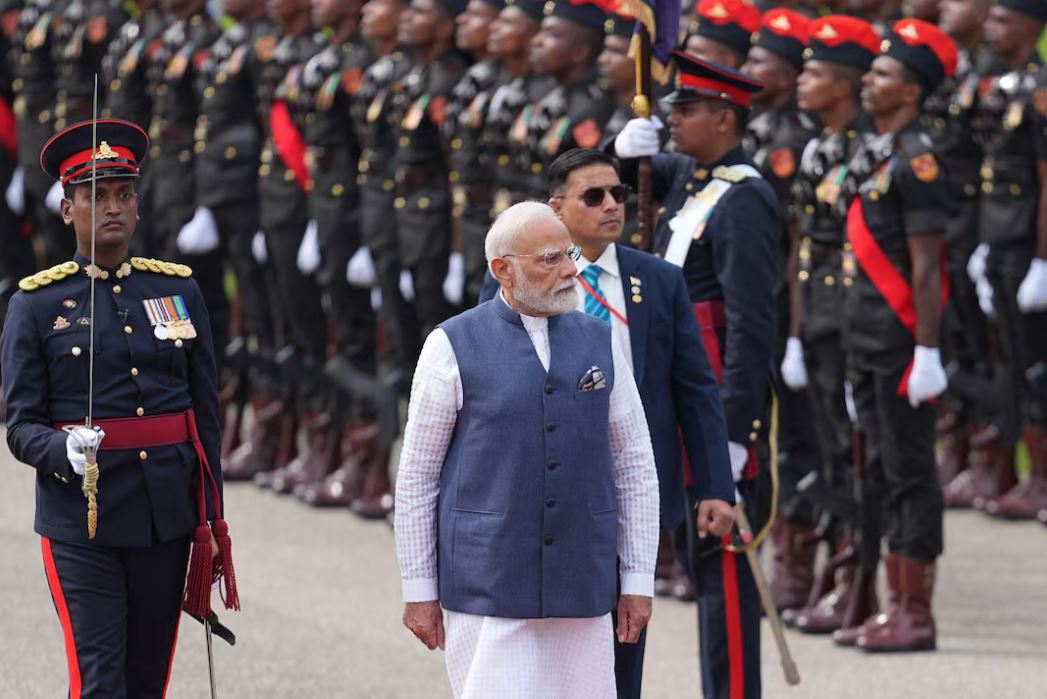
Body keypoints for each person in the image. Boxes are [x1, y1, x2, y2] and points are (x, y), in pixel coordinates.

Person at [479, 149, 736, 698]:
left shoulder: (659, 280)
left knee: (623, 640)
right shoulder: (519, 275)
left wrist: (716, 485)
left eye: (619, 193)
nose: (611, 205)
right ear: (557, 207)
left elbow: (695, 390)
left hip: (626, 488)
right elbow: (489, 384)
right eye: (593, 196)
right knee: (535, 649)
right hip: (540, 491)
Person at [0, 119, 236, 697]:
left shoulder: (178, 291)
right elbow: (20, 424)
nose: (112, 207)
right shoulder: (36, 305)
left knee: (146, 682)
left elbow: (204, 417)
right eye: (95, 196)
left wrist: (209, 517)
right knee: (102, 682)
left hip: (165, 518)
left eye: (123, 194)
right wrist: (61, 449)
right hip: (84, 520)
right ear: (66, 208)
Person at [395, 201, 659, 698]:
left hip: (584, 580)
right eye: (549, 260)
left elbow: (635, 466)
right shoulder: (449, 345)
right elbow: (417, 478)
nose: (569, 270)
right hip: (485, 585)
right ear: (503, 270)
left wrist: (638, 578)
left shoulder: (601, 341)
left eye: (570, 255)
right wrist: (419, 590)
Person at [612, 52, 780, 698]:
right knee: (696, 560)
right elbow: (604, 182)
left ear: (722, 116)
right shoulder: (690, 177)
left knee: (725, 574)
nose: (672, 119)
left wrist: (734, 434)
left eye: (686, 110)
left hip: (718, 409)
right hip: (681, 397)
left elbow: (749, 325)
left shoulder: (743, 198)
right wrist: (620, 150)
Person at [839, 18, 955, 652]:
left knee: (911, 472)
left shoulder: (918, 160)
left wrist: (930, 350)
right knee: (878, 468)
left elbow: (928, 263)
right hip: (865, 337)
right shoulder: (871, 151)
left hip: (904, 342)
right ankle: (890, 604)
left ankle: (916, 611)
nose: (868, 81)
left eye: (882, 74)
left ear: (910, 92)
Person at [785, 14, 881, 639]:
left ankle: (857, 579)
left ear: (844, 86)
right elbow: (802, 248)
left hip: (854, 324)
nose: (802, 80)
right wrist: (795, 332)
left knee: (857, 455)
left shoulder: (867, 152)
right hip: (817, 323)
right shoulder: (817, 146)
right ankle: (834, 564)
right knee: (825, 448)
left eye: (815, 71)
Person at [739, 7, 824, 615]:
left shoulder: (792, 142)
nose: (745, 70)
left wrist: (792, 330)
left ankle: (797, 561)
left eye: (758, 62)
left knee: (794, 437)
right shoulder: (755, 131)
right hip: (755, 302)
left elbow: (796, 244)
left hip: (781, 307)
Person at [965, 0, 1047, 519]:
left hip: (1026, 247)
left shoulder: (1039, 90)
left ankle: (1041, 480)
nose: (991, 26)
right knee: (1011, 363)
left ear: (1031, 25)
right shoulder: (1001, 83)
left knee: (1036, 368)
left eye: (1002, 18)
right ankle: (1021, 475)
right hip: (998, 240)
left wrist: (1042, 260)